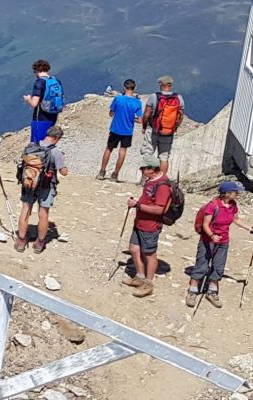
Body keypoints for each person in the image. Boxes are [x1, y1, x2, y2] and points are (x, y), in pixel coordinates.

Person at [188, 181, 253, 308]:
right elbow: (205, 224)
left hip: (223, 241)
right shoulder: (213, 206)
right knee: (202, 265)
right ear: (227, 193)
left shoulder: (233, 205)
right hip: (207, 240)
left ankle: (212, 291)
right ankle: (193, 291)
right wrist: (211, 236)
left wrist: (250, 229)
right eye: (235, 192)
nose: (237, 194)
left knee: (218, 266)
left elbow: (235, 219)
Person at [16, 127, 68, 254]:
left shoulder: (31, 146)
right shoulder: (55, 151)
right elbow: (64, 172)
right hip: (46, 185)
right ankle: (39, 243)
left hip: (29, 182)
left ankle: (21, 240)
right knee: (43, 213)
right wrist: (62, 160)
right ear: (56, 138)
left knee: (25, 209)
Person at [126, 157, 172, 298]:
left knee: (149, 254)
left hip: (150, 225)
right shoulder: (150, 181)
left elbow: (159, 210)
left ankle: (149, 283)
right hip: (140, 221)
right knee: (134, 248)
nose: (141, 171)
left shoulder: (162, 186)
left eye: (143, 168)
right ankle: (140, 276)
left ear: (151, 169)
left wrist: (138, 205)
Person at [142, 76, 189, 176]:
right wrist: (175, 127)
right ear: (170, 85)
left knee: (148, 153)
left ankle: (145, 179)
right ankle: (161, 179)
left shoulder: (154, 96)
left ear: (160, 85)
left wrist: (144, 126)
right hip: (169, 131)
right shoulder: (179, 98)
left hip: (153, 130)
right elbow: (180, 116)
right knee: (164, 157)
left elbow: (146, 114)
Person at [100, 80, 143, 181]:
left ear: (124, 87)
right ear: (134, 88)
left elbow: (111, 114)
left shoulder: (118, 99)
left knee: (108, 149)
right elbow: (140, 120)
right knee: (122, 151)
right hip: (128, 131)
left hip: (115, 128)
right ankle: (115, 174)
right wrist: (131, 118)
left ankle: (102, 172)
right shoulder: (137, 102)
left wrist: (118, 114)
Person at [21, 60, 62, 143]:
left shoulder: (39, 82)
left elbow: (34, 103)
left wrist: (28, 99)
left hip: (40, 118)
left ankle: (37, 155)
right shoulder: (55, 81)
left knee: (37, 143)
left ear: (36, 71)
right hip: (53, 116)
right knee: (47, 141)